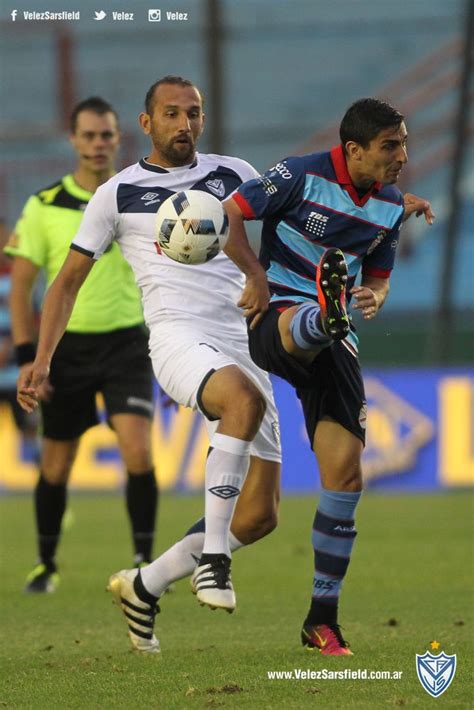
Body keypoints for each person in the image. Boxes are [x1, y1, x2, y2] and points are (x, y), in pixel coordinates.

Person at [17, 77, 282, 652]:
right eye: (171, 114)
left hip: (243, 341)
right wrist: (40, 359)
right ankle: (212, 559)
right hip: (176, 337)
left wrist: (385, 209)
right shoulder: (117, 193)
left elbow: (289, 214)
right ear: (147, 123)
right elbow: (65, 285)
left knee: (260, 515)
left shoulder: (233, 173)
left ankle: (145, 584)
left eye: (193, 113)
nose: (183, 124)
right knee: (242, 401)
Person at [223, 97, 434, 655]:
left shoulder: (390, 206)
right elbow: (231, 212)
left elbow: (383, 278)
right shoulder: (298, 174)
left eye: (405, 144)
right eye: (391, 146)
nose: (403, 156)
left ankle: (321, 620)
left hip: (340, 335)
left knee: (345, 479)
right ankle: (323, 311)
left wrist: (375, 294)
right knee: (302, 323)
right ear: (354, 149)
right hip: (276, 315)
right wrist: (253, 275)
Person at [6, 97, 159, 593]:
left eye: (107, 135)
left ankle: (144, 561)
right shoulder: (45, 205)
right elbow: (23, 285)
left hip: (128, 343)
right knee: (56, 463)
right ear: (73, 140)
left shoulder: (139, 195)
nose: (98, 144)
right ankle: (46, 564)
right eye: (89, 135)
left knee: (138, 450)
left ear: (120, 139)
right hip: (66, 349)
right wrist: (31, 355)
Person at [0, 218, 40, 462]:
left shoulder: (20, 277)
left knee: (29, 429)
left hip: (16, 371)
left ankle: (46, 487)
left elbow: (34, 321)